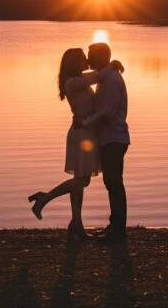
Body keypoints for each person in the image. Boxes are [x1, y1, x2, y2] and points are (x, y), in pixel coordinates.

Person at [28, 48, 122, 239]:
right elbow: (98, 77)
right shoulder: (73, 82)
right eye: (82, 58)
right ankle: (44, 198)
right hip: (81, 134)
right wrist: (113, 66)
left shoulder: (78, 79)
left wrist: (111, 68)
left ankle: (76, 223)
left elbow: (97, 75)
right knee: (82, 180)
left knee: (80, 180)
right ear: (74, 62)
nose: (86, 59)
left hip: (86, 132)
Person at [84, 42, 130, 243]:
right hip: (109, 138)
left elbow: (108, 112)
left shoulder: (111, 79)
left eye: (91, 55)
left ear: (102, 57)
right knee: (112, 183)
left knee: (114, 183)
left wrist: (85, 122)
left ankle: (118, 228)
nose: (88, 59)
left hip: (114, 138)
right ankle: (115, 226)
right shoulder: (106, 76)